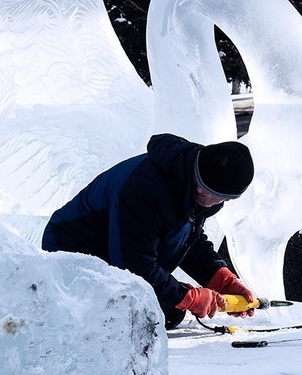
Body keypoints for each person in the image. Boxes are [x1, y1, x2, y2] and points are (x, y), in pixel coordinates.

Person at [41, 133, 257, 329]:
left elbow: (185, 239)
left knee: (169, 312)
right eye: (200, 183)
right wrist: (188, 296)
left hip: (116, 251)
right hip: (71, 250)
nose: (201, 190)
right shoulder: (144, 190)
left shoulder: (192, 182)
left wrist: (221, 279)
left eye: (211, 191)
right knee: (135, 318)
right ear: (198, 165)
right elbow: (132, 265)